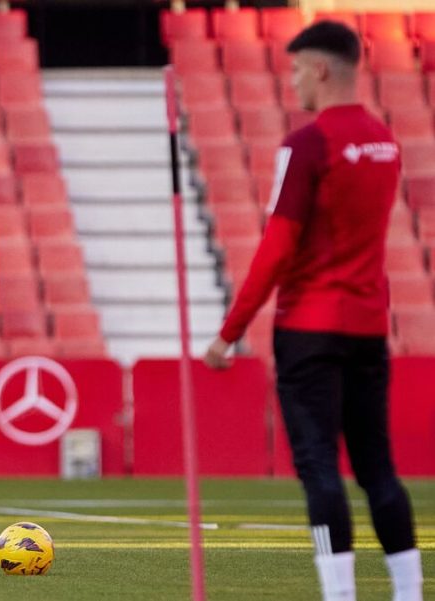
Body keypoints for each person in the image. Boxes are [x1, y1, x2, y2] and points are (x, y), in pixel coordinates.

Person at [204, 21, 422, 601]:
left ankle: (340, 595)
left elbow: (279, 247)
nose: (292, 80)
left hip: (308, 330)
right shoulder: (384, 141)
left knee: (319, 468)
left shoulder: (306, 145)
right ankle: (407, 592)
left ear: (321, 69)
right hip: (369, 327)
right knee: (378, 468)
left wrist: (229, 334)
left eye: (297, 68)